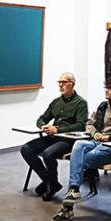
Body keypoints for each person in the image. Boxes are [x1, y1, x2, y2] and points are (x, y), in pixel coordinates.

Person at [51, 76, 111, 221]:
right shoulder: (102, 106)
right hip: (96, 141)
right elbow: (89, 123)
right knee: (78, 145)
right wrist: (94, 133)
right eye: (106, 87)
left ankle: (68, 205)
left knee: (82, 158)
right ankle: (73, 190)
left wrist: (109, 137)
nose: (107, 90)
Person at [20, 72, 88, 201]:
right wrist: (43, 126)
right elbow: (42, 118)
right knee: (26, 149)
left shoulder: (80, 103)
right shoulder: (56, 102)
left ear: (72, 84)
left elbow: (80, 125)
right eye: (59, 82)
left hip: (68, 140)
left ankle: (49, 183)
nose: (61, 85)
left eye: (64, 82)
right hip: (53, 137)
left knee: (47, 154)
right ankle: (51, 182)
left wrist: (57, 129)